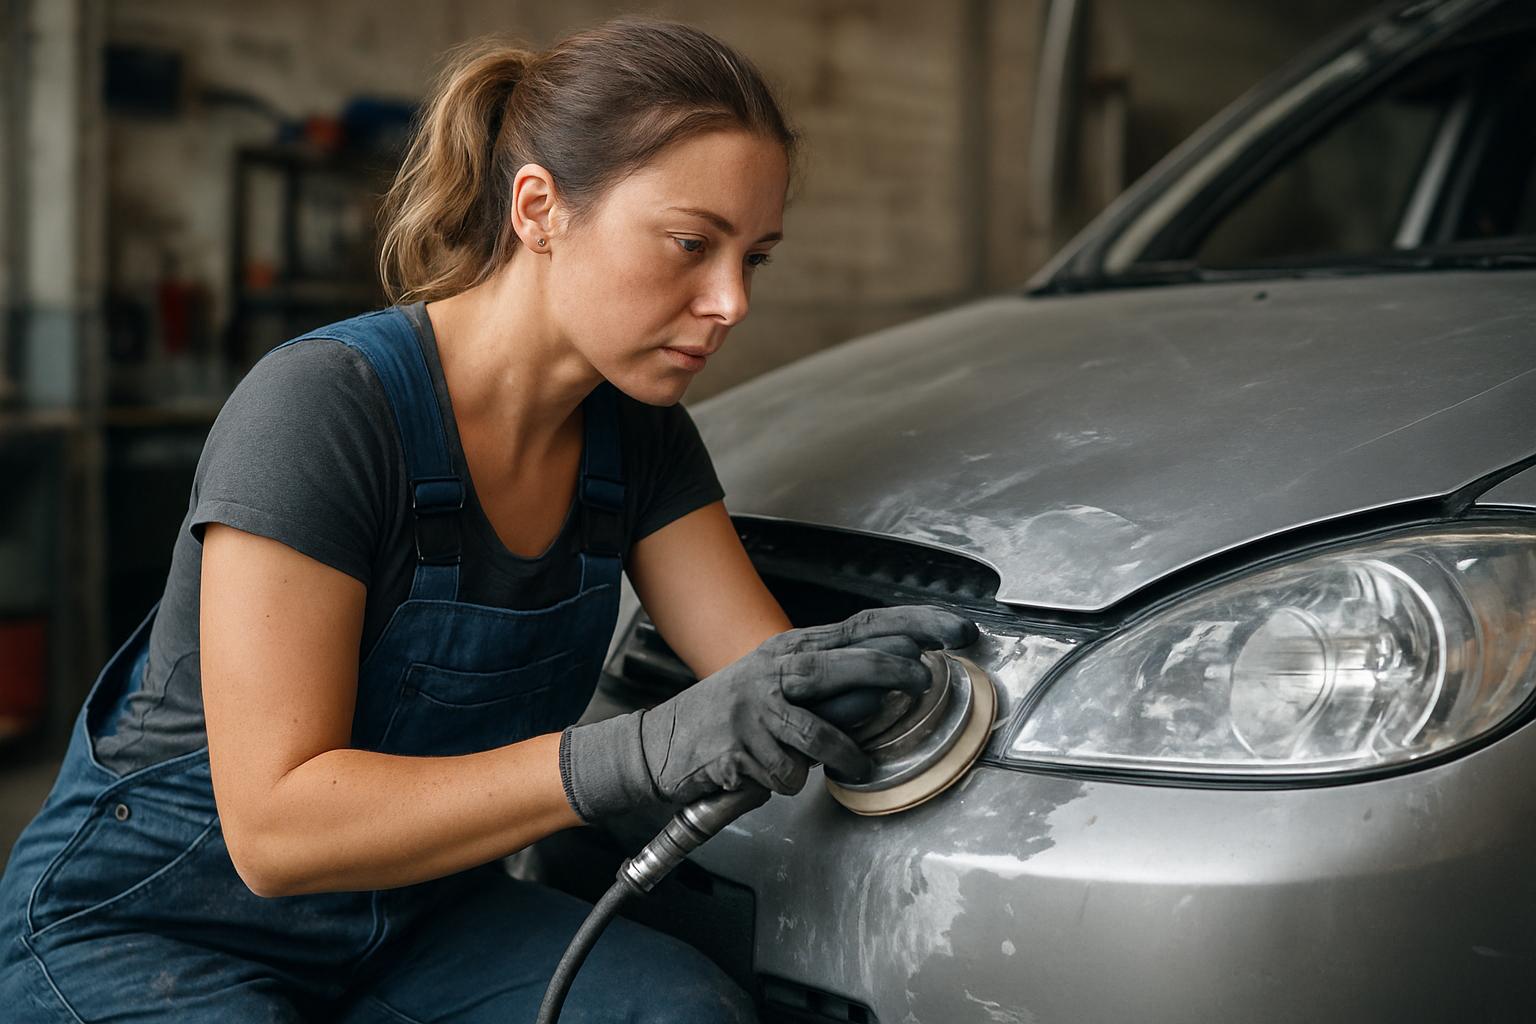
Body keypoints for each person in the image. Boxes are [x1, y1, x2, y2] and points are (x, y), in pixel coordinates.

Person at [0, 15, 978, 1023]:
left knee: (680, 1011)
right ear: (539, 208)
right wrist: (642, 750)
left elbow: (754, 673)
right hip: (158, 930)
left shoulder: (640, 437)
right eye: (693, 243)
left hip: (417, 918)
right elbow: (276, 832)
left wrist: (864, 685)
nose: (730, 300)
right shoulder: (323, 410)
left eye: (753, 258)